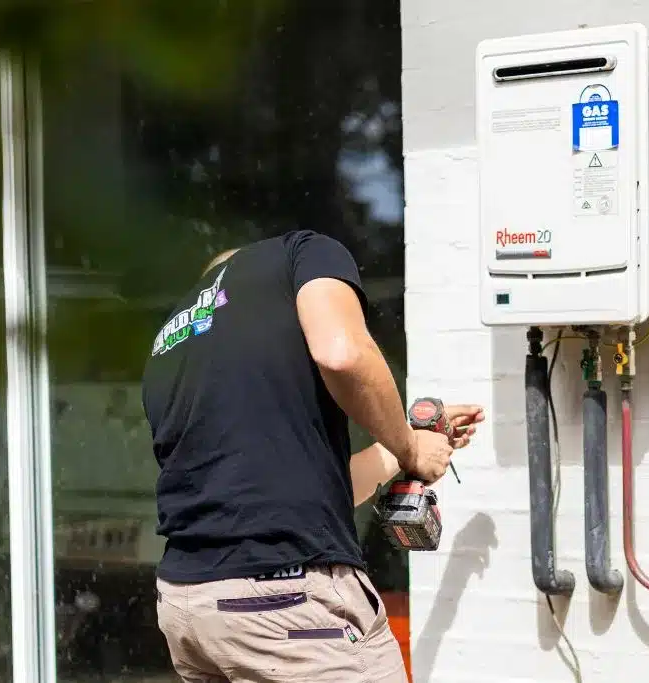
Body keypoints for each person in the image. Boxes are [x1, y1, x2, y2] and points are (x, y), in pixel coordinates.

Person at [141, 230, 485, 682]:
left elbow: (320, 494)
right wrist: (411, 448)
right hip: (284, 601)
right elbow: (342, 353)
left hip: (190, 607)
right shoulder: (301, 252)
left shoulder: (168, 354)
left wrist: (398, 449)